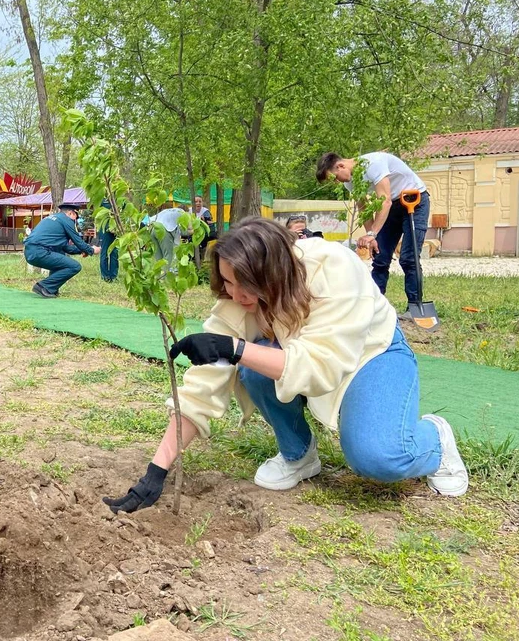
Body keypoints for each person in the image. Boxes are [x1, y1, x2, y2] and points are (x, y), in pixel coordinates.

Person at [103, 217, 467, 514]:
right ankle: (299, 454)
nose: (235, 295)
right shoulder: (239, 296)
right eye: (228, 282)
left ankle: (435, 440)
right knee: (251, 365)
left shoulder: (335, 270)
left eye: (246, 287)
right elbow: (203, 385)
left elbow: (321, 367)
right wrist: (156, 470)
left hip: (371, 355)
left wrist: (237, 348)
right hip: (301, 354)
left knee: (379, 457)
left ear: (274, 273)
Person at [317, 151, 429, 319]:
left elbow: (385, 200)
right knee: (380, 257)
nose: (337, 182)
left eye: (335, 178)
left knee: (409, 257)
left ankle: (414, 307)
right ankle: (375, 307)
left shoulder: (373, 163)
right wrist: (372, 237)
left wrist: (373, 232)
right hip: (391, 209)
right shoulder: (350, 183)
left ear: (340, 166)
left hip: (414, 201)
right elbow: (364, 209)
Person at [23, 202, 100, 297]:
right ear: (71, 213)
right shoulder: (66, 220)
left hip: (29, 252)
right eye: (76, 217)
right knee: (75, 266)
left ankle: (51, 289)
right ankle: (44, 286)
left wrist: (82, 250)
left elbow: (66, 248)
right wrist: (92, 250)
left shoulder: (51, 218)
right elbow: (78, 241)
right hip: (41, 252)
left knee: (60, 254)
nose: (76, 220)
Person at [145, 206, 189, 272]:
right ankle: (165, 278)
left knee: (159, 258)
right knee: (168, 256)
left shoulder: (168, 211)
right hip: (164, 230)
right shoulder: (183, 213)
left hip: (152, 229)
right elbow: (183, 232)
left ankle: (159, 278)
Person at [97, 199, 118, 282]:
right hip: (104, 228)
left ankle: (113, 276)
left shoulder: (117, 198)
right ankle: (105, 276)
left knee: (114, 252)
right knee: (105, 252)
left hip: (115, 228)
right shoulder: (102, 199)